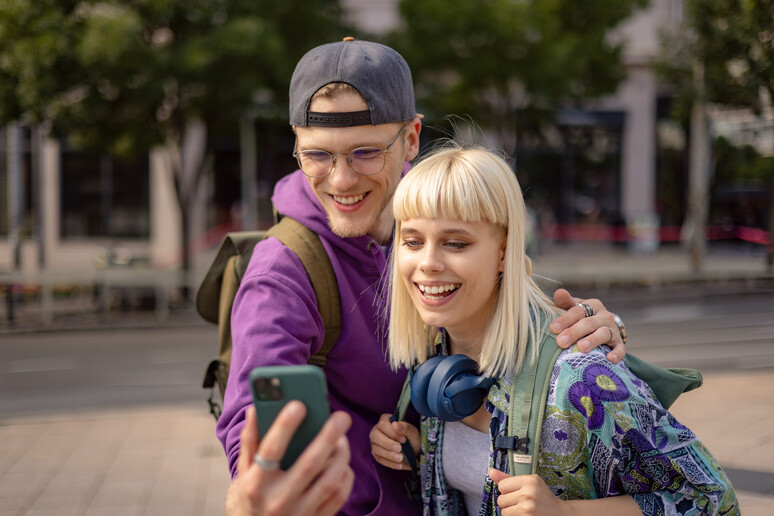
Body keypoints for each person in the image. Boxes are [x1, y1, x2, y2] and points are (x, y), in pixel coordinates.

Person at [219, 38, 628, 515]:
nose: (341, 179)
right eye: (317, 155)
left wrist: (595, 329)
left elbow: (509, 305)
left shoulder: (437, 210)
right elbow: (253, 420)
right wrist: (265, 488)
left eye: (365, 152)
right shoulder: (283, 270)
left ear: (411, 139)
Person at [369, 144, 738, 515]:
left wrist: (567, 512)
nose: (428, 263)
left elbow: (710, 499)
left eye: (455, 243)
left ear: (503, 251)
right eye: (413, 241)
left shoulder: (582, 379)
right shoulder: (435, 357)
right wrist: (419, 449)